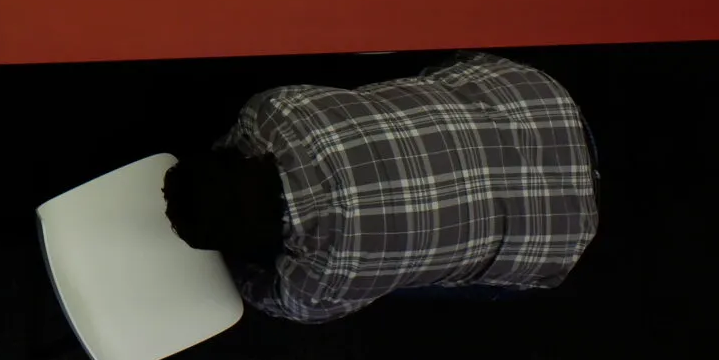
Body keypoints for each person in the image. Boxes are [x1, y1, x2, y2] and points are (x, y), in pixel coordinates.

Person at [161, 53, 600, 323]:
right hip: (538, 97)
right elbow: (230, 141)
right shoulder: (274, 111)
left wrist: (234, 271)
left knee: (403, 283)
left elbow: (265, 294)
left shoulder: (322, 280)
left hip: (563, 232)